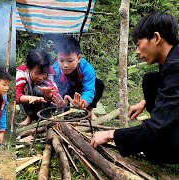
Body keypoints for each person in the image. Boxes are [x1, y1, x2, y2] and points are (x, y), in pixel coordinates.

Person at [90, 11, 179, 164]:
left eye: (138, 45)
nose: (137, 52)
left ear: (156, 38)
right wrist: (144, 102)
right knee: (151, 80)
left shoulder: (176, 67)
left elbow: (158, 128)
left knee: (153, 149)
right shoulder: (173, 56)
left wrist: (111, 134)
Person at [52, 35, 104, 120]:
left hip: (80, 91)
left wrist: (83, 102)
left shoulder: (86, 69)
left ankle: (90, 111)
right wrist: (57, 98)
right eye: (61, 60)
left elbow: (89, 89)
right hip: (65, 92)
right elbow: (54, 88)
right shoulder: (54, 70)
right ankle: (64, 112)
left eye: (70, 61)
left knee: (98, 84)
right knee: (64, 88)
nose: (65, 65)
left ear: (79, 58)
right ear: (57, 58)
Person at [16, 48, 63, 126]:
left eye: (44, 73)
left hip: (45, 104)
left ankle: (45, 117)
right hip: (30, 97)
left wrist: (49, 95)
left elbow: (55, 92)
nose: (41, 77)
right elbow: (17, 94)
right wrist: (30, 98)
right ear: (28, 68)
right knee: (25, 88)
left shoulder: (49, 73)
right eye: (37, 73)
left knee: (39, 89)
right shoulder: (22, 73)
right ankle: (30, 116)